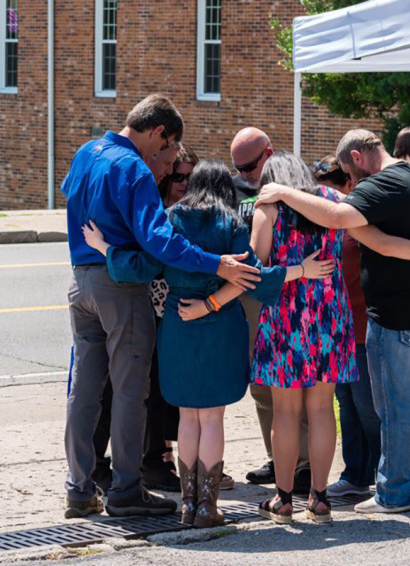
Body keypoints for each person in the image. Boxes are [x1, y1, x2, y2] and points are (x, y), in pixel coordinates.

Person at [81, 159, 333, 527]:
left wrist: (105, 248)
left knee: (187, 416)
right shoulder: (230, 224)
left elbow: (143, 266)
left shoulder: (171, 219)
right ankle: (207, 507)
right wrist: (298, 271)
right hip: (220, 327)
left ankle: (187, 504)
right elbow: (253, 277)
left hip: (178, 325)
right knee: (213, 417)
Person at [61, 93, 261, 519]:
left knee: (85, 388)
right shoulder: (133, 167)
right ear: (158, 133)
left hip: (81, 281)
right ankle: (126, 490)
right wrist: (216, 263)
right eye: (167, 152)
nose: (167, 164)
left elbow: (73, 200)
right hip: (122, 286)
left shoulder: (85, 152)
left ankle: (79, 488)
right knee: (131, 390)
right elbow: (159, 241)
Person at [256, 130, 410, 514]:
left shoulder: (275, 206)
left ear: (357, 156)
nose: (351, 181)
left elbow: (259, 262)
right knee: (335, 409)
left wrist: (280, 196)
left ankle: (291, 497)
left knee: (297, 411)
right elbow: (385, 238)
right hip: (340, 317)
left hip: (295, 318)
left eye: (350, 172)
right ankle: (324, 496)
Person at [90, 142, 183, 494]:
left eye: (187, 174)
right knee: (117, 389)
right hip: (132, 303)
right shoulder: (147, 209)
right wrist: (106, 250)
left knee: (154, 392)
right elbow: (145, 262)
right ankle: (106, 469)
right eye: (175, 173)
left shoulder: (173, 212)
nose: (180, 181)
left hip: (162, 312)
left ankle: (154, 461)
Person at [230, 128, 312, 492]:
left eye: (249, 166)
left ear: (269, 153)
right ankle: (279, 458)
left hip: (296, 293)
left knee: (305, 387)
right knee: (262, 385)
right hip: (253, 296)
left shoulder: (295, 182)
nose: (245, 174)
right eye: (239, 168)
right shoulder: (236, 190)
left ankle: (307, 463)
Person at [312, 156, 380, 498]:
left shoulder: (356, 221)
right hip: (337, 330)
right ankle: (356, 473)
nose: (324, 195)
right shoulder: (319, 222)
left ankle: (388, 475)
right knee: (346, 404)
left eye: (331, 186)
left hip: (363, 325)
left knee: (368, 405)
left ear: (348, 185)